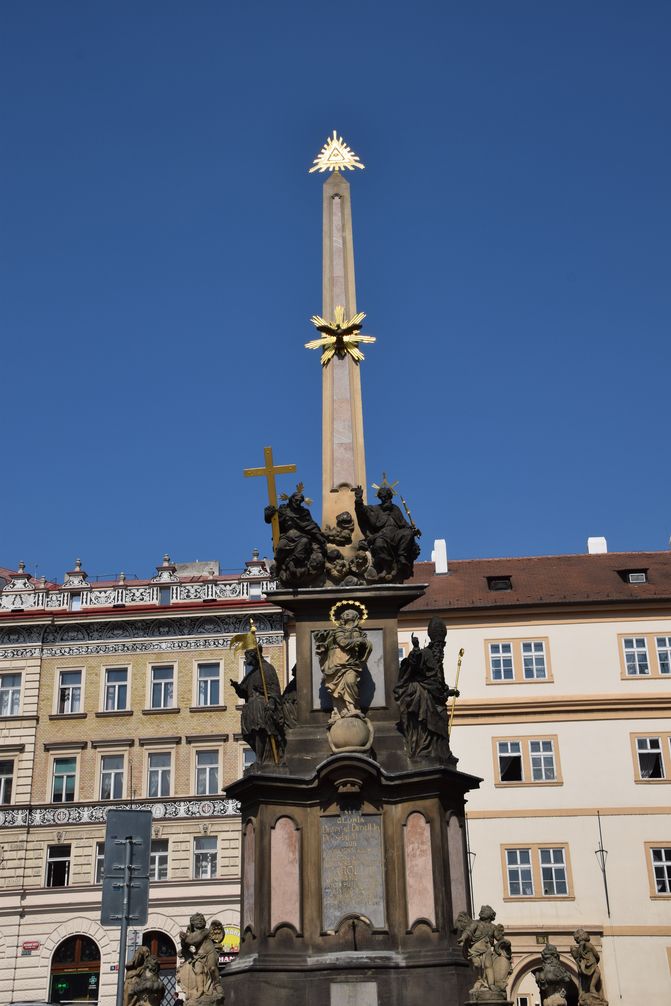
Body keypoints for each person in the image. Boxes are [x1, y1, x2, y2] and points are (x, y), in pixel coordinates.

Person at [394, 617, 458, 761]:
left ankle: (442, 752)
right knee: (428, 721)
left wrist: (449, 691)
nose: (441, 649)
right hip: (424, 696)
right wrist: (415, 650)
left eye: (442, 646)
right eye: (439, 645)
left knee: (442, 718)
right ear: (433, 643)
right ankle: (425, 750)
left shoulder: (438, 660)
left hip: (436, 699)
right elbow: (409, 666)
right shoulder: (424, 653)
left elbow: (438, 684)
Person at [353, 484, 420, 581]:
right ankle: (386, 568)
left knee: (407, 533)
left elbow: (404, 524)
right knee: (379, 543)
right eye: (383, 497)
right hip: (383, 534)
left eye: (387, 497)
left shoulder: (395, 509)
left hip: (397, 533)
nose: (385, 499)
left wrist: (414, 530)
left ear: (390, 496)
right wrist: (359, 500)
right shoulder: (376, 509)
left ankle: (402, 557)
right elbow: (362, 511)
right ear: (380, 498)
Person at [315, 607, 372, 721]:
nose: (347, 614)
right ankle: (342, 710)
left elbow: (363, 648)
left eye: (349, 613)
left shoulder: (358, 632)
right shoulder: (339, 631)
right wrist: (358, 641)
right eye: (345, 613)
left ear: (355, 617)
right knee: (337, 688)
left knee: (350, 682)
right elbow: (343, 643)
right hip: (338, 662)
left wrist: (365, 644)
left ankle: (352, 707)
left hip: (352, 663)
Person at [231, 646, 284, 765]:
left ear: (254, 655)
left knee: (259, 731)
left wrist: (271, 702)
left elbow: (274, 689)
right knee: (249, 734)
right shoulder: (252, 673)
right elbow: (244, 692)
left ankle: (261, 759)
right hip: (250, 707)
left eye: (247, 657)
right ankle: (259, 757)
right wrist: (237, 687)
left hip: (260, 705)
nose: (246, 660)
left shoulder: (267, 669)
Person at [265, 488, 326, 585]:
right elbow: (270, 520)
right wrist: (268, 513)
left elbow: (310, 525)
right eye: (296, 500)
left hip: (301, 536)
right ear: (291, 499)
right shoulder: (283, 510)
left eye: (300, 501)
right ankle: (278, 567)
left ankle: (292, 562)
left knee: (304, 542)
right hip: (287, 536)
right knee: (280, 547)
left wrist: (319, 536)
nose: (297, 502)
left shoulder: (303, 512)